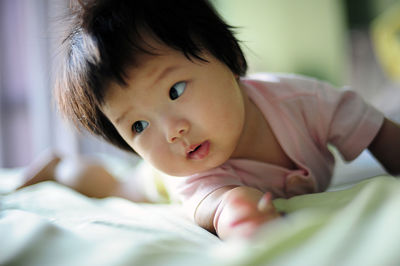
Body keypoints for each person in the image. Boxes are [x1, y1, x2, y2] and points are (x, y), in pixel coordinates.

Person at [21, 0, 400, 240]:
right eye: (138, 126)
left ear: (231, 59)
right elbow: (227, 206)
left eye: (175, 91)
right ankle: (63, 169)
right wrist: (245, 221)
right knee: (121, 189)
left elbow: (376, 129)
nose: (172, 132)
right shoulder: (192, 176)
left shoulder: (304, 102)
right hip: (158, 182)